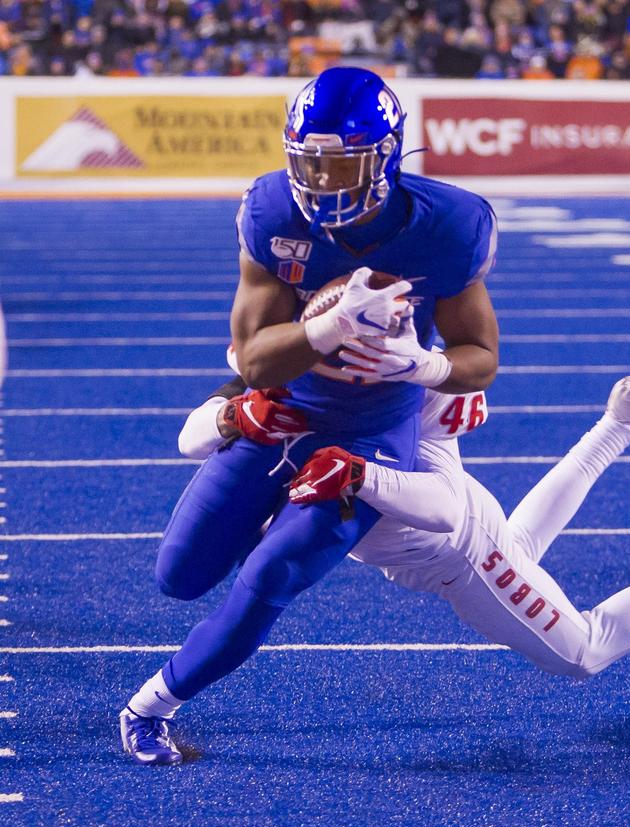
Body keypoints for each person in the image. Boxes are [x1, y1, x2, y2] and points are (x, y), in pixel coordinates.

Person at [120, 376, 630, 764]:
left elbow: (444, 507)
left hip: (458, 551)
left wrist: (362, 475)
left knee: (583, 651)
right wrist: (232, 415)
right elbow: (194, 433)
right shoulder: (313, 378)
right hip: (456, 534)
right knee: (520, 549)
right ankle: (621, 423)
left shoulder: (393, 398)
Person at [124, 67, 500, 757]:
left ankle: (149, 708)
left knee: (272, 576)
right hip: (284, 414)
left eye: (341, 164)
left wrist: (423, 367)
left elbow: (481, 356)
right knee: (179, 576)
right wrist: (329, 328)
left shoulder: (448, 226)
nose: (322, 182)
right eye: (310, 163)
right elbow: (253, 361)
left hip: (369, 435)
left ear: (385, 157)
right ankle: (264, 519)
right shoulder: (273, 211)